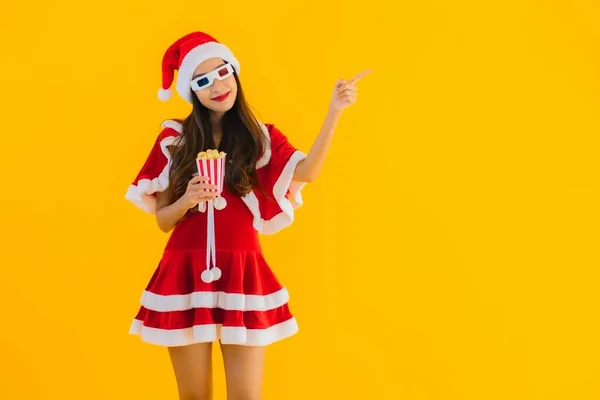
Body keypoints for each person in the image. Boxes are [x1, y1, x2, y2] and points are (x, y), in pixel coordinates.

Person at [125, 31, 370, 400]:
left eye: (223, 72)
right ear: (192, 92)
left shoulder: (260, 139)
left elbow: (307, 172)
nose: (217, 86)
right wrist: (186, 199)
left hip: (243, 271)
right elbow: (163, 220)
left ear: (234, 73)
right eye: (202, 81)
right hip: (184, 271)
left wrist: (334, 112)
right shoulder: (174, 140)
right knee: (194, 397)